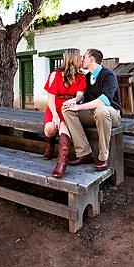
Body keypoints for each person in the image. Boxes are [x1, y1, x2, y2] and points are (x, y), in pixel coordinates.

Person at [61, 48, 122, 171]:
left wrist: (79, 106)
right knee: (68, 111)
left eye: (84, 57)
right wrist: (73, 102)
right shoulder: (88, 77)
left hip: (112, 113)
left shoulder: (108, 75)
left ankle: (103, 157)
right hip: (94, 113)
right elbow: (85, 98)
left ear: (91, 59)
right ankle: (84, 153)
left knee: (101, 110)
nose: (81, 59)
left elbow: (104, 101)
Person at [42, 48, 87, 179]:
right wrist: (55, 115)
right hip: (54, 108)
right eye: (80, 57)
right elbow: (50, 98)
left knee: (63, 126)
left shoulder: (80, 76)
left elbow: (79, 96)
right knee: (50, 128)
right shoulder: (55, 75)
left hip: (68, 109)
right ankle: (50, 145)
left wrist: (73, 100)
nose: (82, 59)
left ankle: (61, 163)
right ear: (73, 59)